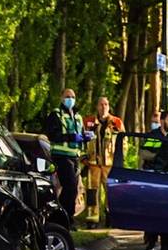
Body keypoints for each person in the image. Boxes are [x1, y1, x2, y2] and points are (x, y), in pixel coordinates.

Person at [44, 88, 91, 220]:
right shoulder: (55, 115)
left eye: (72, 97)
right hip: (61, 157)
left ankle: (67, 218)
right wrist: (70, 137)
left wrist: (85, 137)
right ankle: (62, 218)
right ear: (61, 98)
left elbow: (80, 135)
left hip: (75, 157)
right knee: (70, 187)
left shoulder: (78, 117)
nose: (70, 99)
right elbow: (51, 134)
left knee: (73, 189)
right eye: (67, 96)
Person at [82, 97, 123, 228]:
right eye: (101, 104)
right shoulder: (88, 122)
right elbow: (82, 142)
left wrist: (119, 160)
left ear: (109, 106)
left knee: (111, 191)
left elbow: (124, 143)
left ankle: (111, 216)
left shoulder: (116, 122)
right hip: (92, 163)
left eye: (106, 104)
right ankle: (92, 219)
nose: (104, 107)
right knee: (92, 192)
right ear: (97, 106)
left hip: (109, 164)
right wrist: (83, 157)